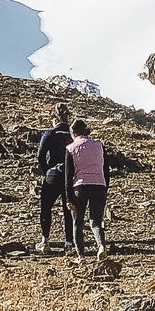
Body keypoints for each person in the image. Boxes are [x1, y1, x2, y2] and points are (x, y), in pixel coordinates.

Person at [64, 118, 109, 262]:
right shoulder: (98, 146)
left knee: (78, 222)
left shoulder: (71, 148)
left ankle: (81, 256)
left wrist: (68, 198)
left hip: (80, 187)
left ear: (73, 132)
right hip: (99, 185)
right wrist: (105, 187)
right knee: (96, 221)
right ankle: (101, 245)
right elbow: (105, 169)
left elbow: (68, 176)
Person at [35, 103, 74, 254]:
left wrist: (46, 171)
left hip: (53, 173)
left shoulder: (50, 133)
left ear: (53, 117)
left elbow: (40, 155)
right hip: (69, 175)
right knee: (68, 208)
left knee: (46, 207)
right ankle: (69, 242)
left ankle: (45, 240)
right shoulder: (72, 134)